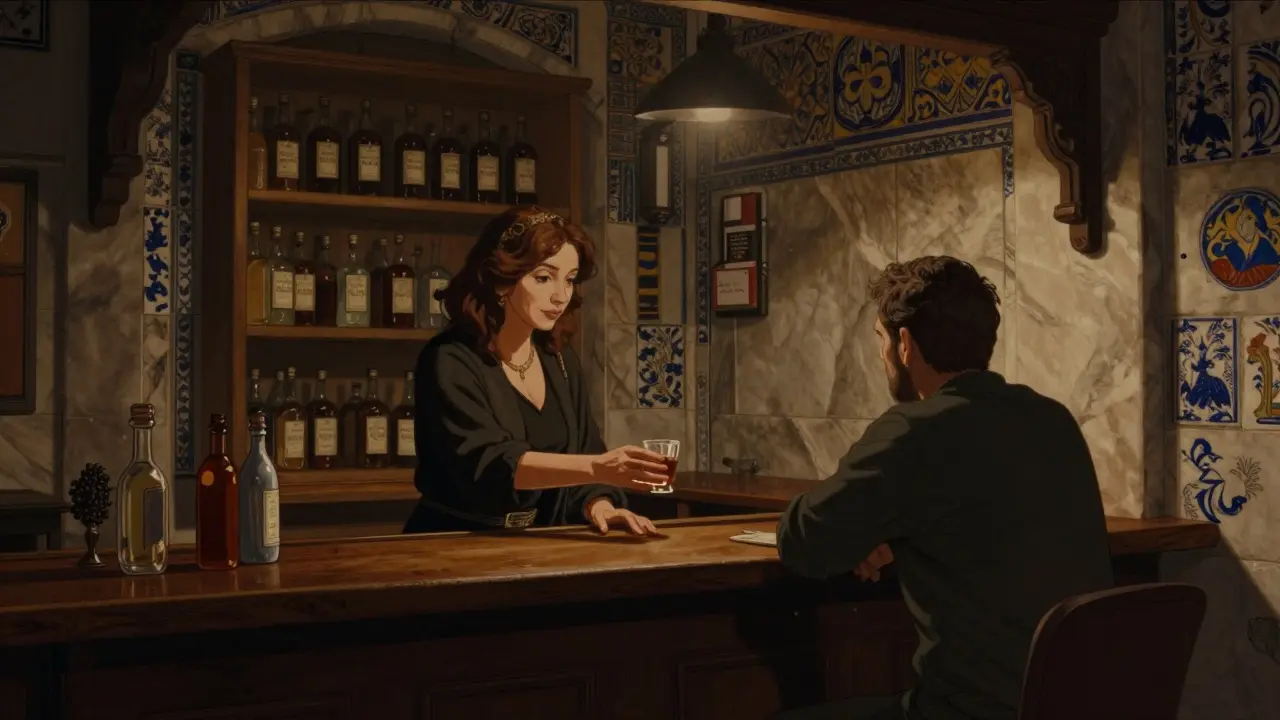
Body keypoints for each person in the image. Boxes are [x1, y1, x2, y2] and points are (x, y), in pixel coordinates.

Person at [775, 256, 1115, 720]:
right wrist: (902, 537)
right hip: (1075, 705)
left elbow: (805, 543)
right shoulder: (1051, 419)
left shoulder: (913, 430)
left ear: (905, 345)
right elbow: (988, 525)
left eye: (880, 340)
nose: (881, 356)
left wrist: (878, 530)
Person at [402, 206, 668, 536]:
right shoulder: (450, 359)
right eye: (543, 278)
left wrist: (600, 507)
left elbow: (584, 450)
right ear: (502, 280)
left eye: (569, 280)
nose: (560, 296)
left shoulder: (558, 358)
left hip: (542, 544)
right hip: (456, 544)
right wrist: (599, 468)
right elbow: (489, 465)